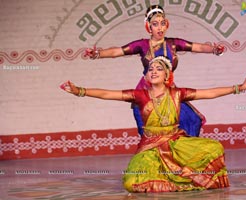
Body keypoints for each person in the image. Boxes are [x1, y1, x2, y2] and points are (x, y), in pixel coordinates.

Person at [60, 56, 246, 192]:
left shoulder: (178, 93)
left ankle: (188, 175)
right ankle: (180, 178)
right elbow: (107, 94)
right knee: (132, 181)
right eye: (150, 69)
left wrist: (239, 88)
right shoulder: (139, 95)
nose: (154, 71)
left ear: (167, 75)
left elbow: (209, 93)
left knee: (214, 147)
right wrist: (80, 91)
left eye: (159, 69)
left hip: (175, 141)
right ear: (146, 76)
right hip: (150, 146)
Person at [84, 5, 225, 137]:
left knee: (191, 120)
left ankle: (180, 158)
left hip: (168, 91)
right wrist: (97, 54)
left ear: (167, 24)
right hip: (147, 93)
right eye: (155, 24)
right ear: (148, 27)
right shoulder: (142, 45)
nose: (160, 28)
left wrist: (214, 50)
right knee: (151, 134)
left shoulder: (173, 44)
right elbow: (116, 51)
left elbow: (198, 47)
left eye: (162, 23)